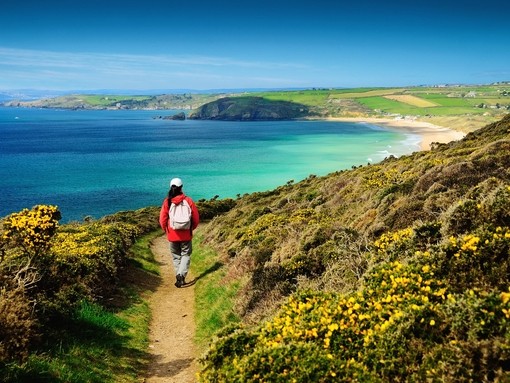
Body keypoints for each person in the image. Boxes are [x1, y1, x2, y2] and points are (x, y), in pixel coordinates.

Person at [159, 177, 200, 288]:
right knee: (186, 255)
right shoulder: (188, 200)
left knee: (176, 256)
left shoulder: (167, 201)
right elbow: (196, 218)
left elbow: (162, 218)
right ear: (181, 187)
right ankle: (181, 276)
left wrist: (166, 230)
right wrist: (191, 228)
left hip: (172, 234)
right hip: (186, 234)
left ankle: (179, 275)